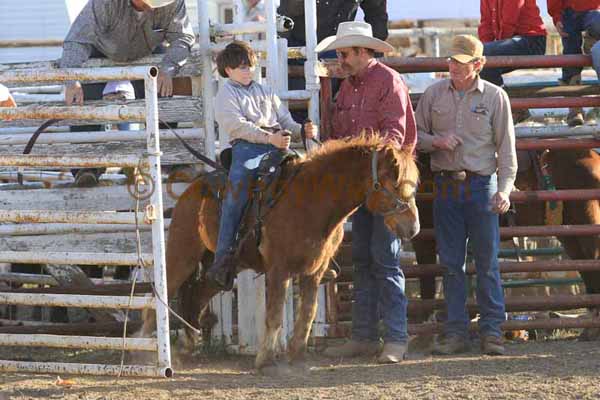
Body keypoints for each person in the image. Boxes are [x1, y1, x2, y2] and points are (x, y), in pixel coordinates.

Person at [317, 22, 417, 364]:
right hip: (361, 189)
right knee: (363, 259)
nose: (340, 59)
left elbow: (394, 138)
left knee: (385, 260)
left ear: (363, 52)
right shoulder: (346, 87)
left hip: (385, 186)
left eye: (344, 53)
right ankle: (363, 336)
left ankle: (395, 339)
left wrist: (357, 160)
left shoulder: (388, 81)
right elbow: (338, 133)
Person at [415, 35, 517, 356]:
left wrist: (504, 190)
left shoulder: (497, 97)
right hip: (446, 184)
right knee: (451, 263)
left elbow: (507, 151)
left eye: (460, 62)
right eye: (451, 61)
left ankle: (491, 331)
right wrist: (437, 142)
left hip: (481, 185)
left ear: (478, 64)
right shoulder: (433, 95)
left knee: (486, 262)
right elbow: (415, 136)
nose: (453, 67)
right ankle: (457, 331)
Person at [205, 41, 316, 290]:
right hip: (245, 148)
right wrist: (270, 138)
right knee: (236, 195)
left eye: (250, 66)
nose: (248, 71)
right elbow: (237, 126)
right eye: (242, 67)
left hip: (276, 144)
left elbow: (285, 120)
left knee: (303, 179)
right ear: (228, 70)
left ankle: (310, 246)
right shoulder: (225, 95)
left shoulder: (265, 91)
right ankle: (222, 260)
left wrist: (301, 130)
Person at [59, 0, 195, 186]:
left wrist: (167, 68)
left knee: (165, 92)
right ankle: (87, 166)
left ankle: (171, 159)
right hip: (100, 51)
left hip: (148, 53)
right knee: (84, 100)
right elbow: (77, 38)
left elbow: (183, 37)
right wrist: (71, 78)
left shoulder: (172, 3)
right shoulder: (105, 3)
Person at [478, 0, 547, 124]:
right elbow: (485, 24)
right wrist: (485, 47)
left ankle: (507, 110)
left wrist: (492, 49)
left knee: (482, 58)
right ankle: (511, 109)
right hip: (515, 40)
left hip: (532, 40)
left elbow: (510, 19)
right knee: (479, 59)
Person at [547, 0, 600, 126]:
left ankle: (591, 40)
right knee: (570, 50)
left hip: (594, 10)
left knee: (597, 23)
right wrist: (556, 17)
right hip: (569, 12)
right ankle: (575, 106)